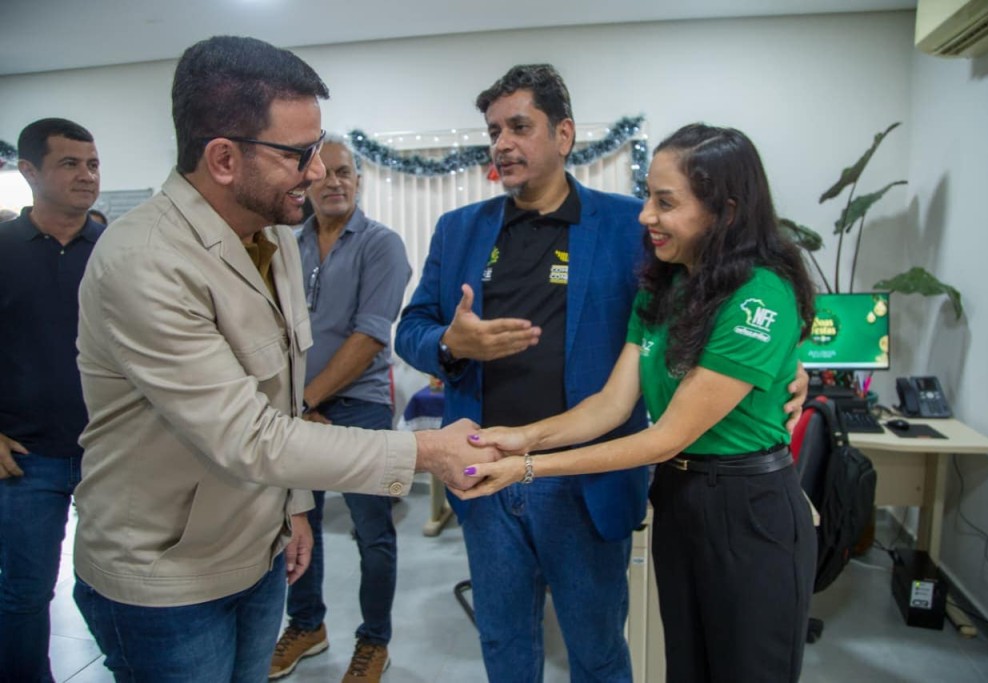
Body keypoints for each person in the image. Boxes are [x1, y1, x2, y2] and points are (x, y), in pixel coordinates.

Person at [71, 35, 494, 683]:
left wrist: (292, 505)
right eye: (298, 154)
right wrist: (427, 451)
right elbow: (248, 434)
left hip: (256, 550)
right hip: (168, 579)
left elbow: (285, 391)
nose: (318, 172)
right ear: (223, 158)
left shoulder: (271, 238)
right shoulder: (146, 260)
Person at [396, 66, 807, 682]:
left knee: (599, 651)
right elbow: (411, 330)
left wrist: (787, 361)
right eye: (493, 131)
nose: (502, 143)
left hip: (592, 485)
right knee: (506, 644)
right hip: (490, 468)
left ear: (563, 134)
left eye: (519, 127)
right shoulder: (460, 230)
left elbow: (735, 287)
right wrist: (451, 345)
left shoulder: (628, 226)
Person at [270, 138, 411, 682]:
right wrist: (294, 406)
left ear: (358, 180)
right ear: (305, 182)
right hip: (297, 409)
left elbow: (370, 335)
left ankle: (374, 641)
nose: (334, 182)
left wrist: (306, 401)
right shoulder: (287, 245)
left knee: (372, 534)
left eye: (345, 172)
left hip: (360, 409)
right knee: (296, 523)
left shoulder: (381, 244)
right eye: (323, 173)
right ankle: (307, 626)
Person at [0, 117, 103, 683]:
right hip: (24, 459)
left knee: (116, 587)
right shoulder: (3, 250)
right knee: (24, 591)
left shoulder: (115, 252)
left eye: (92, 164)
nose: (87, 175)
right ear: (29, 171)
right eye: (70, 164)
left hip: (108, 454)